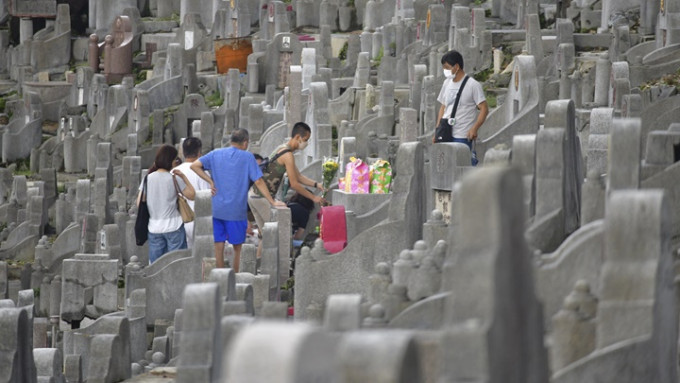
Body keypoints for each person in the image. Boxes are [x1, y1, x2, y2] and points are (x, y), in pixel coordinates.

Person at [190, 129, 285, 271]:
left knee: (218, 245)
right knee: (237, 248)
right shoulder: (247, 157)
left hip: (216, 208)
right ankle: (234, 278)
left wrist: (210, 181)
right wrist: (272, 201)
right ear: (245, 142)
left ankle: (221, 277)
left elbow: (194, 165)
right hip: (235, 209)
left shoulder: (215, 153)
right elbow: (258, 181)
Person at [248, 122, 326, 259]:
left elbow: (298, 176)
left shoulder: (283, 149)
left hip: (254, 195)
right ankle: (281, 270)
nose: (306, 143)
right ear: (297, 137)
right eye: (305, 140)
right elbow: (294, 184)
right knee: (280, 234)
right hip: (261, 197)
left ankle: (259, 268)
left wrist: (316, 184)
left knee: (265, 236)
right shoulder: (287, 155)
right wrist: (314, 198)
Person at [138, 144, 196, 264]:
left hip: (154, 227)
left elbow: (139, 203)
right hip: (174, 225)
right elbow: (192, 195)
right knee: (177, 264)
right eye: (175, 159)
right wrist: (184, 177)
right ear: (170, 161)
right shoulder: (174, 178)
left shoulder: (147, 179)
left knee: (156, 266)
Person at [433, 50, 488, 166]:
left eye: (447, 67)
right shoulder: (446, 83)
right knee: (446, 166)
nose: (445, 71)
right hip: (446, 131)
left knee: (461, 167)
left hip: (463, 135)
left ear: (457, 66)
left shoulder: (473, 85)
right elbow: (443, 107)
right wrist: (437, 130)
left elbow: (484, 108)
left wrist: (475, 128)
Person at [172, 137, 211, 248]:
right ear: (199, 152)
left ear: (183, 153)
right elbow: (207, 197)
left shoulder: (173, 172)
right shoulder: (203, 173)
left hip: (178, 220)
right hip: (198, 220)